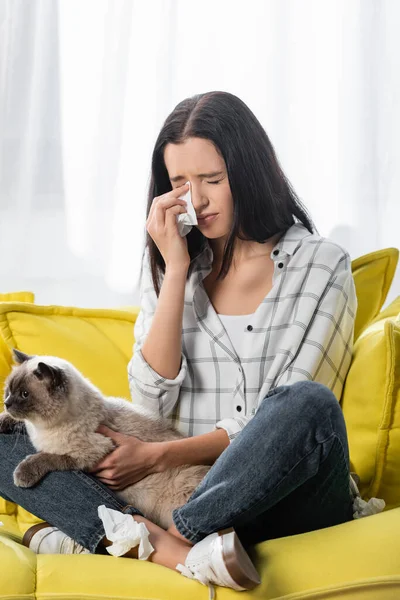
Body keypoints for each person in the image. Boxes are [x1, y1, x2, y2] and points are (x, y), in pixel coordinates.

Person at [0, 91, 357, 596]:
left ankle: (154, 545)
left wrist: (157, 458)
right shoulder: (171, 266)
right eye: (179, 184)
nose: (198, 200)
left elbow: (282, 415)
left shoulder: (322, 266)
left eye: (213, 180)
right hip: (167, 492)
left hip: (280, 491)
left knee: (307, 405)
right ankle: (179, 546)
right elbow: (150, 404)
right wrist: (177, 272)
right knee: (7, 434)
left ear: (250, 172)